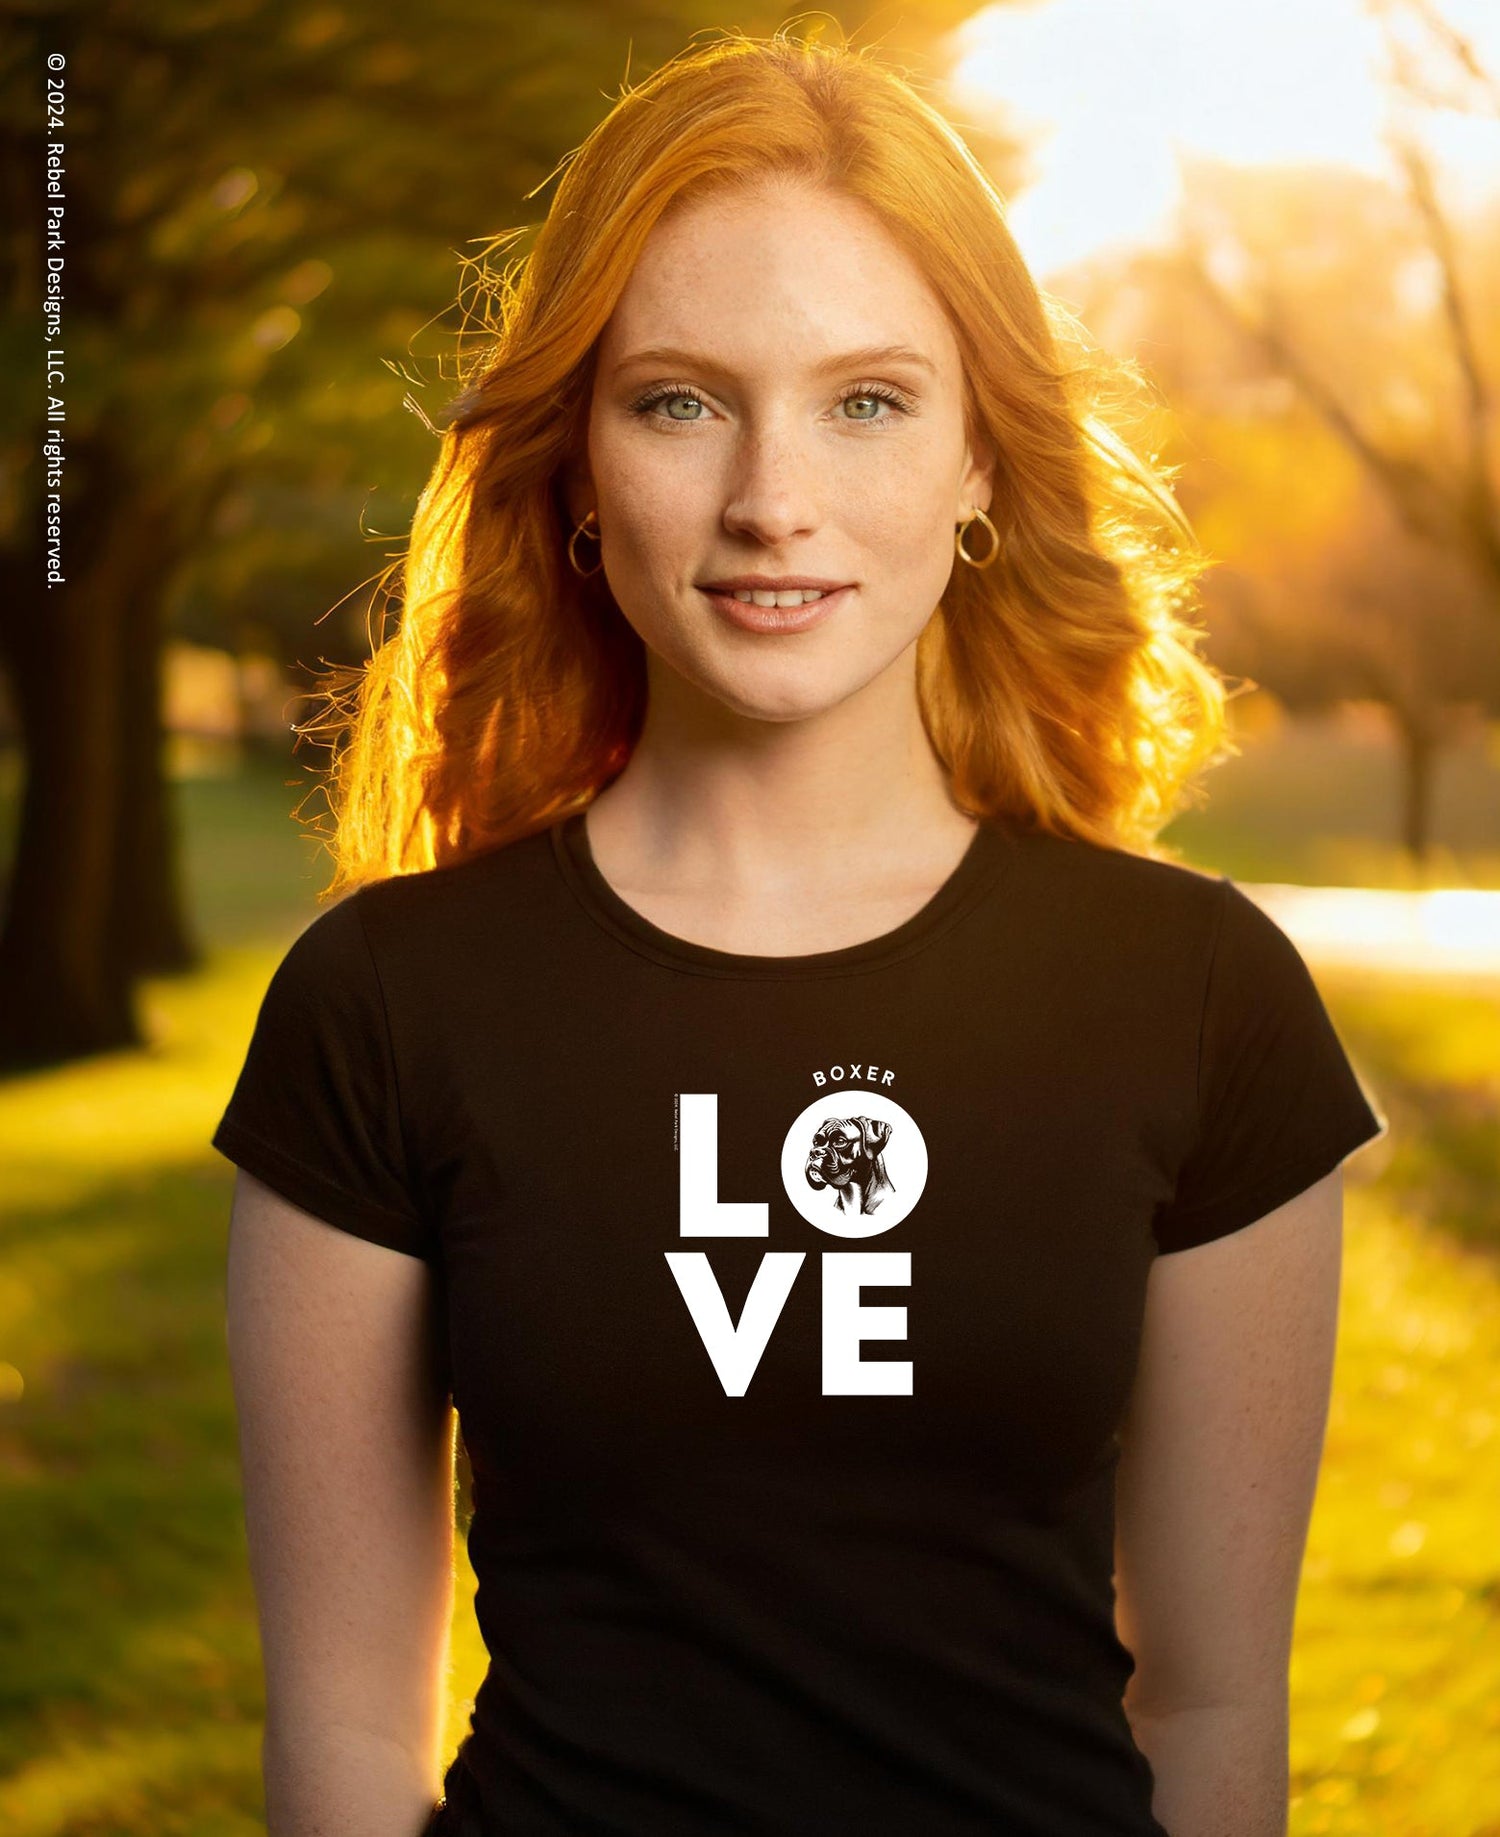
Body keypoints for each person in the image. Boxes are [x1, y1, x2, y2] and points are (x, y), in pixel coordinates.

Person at [213, 26, 1387, 1837]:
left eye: (869, 399)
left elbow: (1217, 1699)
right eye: (682, 398)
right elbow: (350, 1743)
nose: (775, 497)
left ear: (985, 456)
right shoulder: (384, 1007)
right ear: (580, 465)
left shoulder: (1205, 1001)